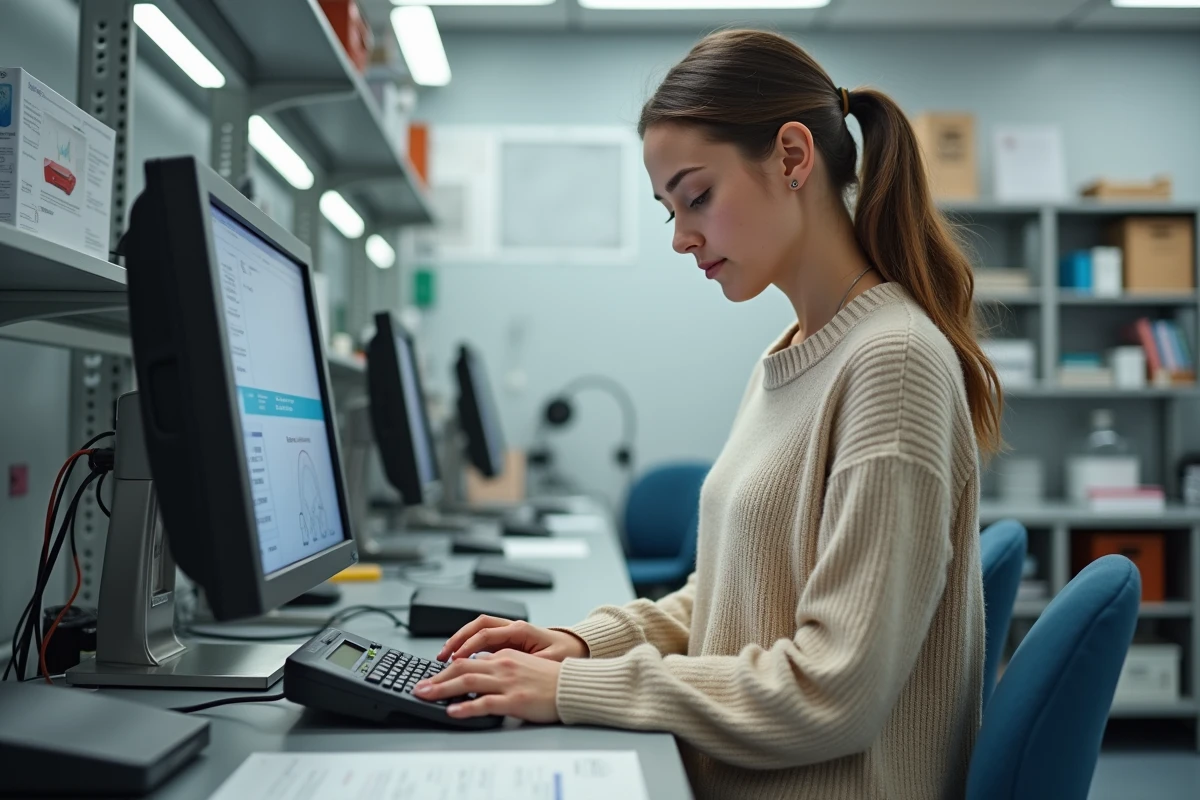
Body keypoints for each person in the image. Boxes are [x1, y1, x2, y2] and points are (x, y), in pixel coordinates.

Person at [413, 28, 1001, 799]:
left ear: (793, 158)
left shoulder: (891, 364)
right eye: (669, 211)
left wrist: (571, 694)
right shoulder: (796, 351)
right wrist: (580, 646)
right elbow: (731, 597)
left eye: (697, 196)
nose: (683, 236)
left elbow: (833, 695)